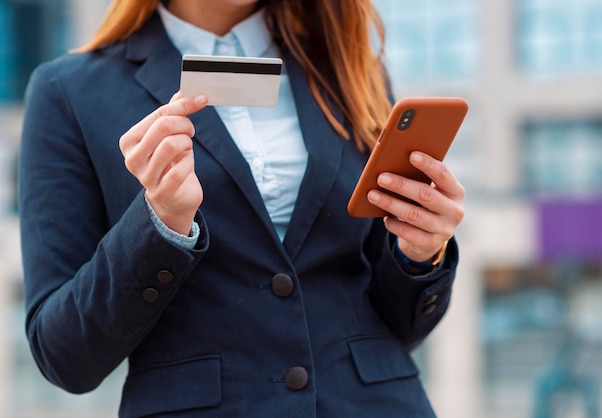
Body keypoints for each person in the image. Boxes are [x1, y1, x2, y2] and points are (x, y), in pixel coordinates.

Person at [18, 0, 465, 416]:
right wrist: (162, 223)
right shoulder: (70, 92)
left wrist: (419, 254)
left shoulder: (346, 69)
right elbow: (64, 356)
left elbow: (397, 326)